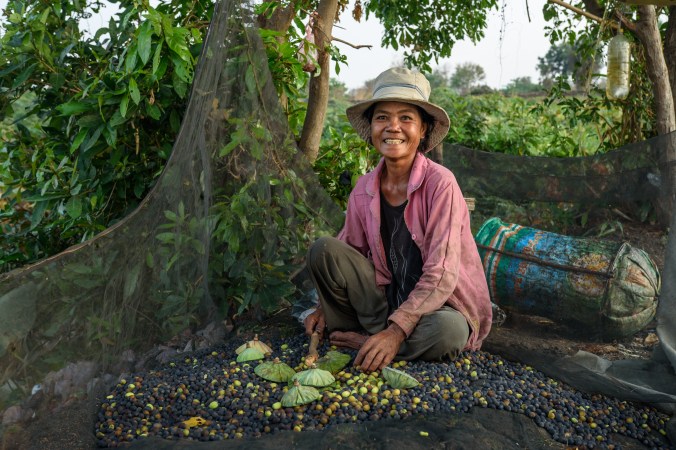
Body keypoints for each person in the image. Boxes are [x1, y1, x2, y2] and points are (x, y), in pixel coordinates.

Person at [304, 67, 492, 372]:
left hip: (434, 309)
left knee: (450, 332)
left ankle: (370, 343)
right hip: (380, 305)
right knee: (323, 250)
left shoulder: (440, 184)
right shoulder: (364, 188)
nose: (393, 127)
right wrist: (321, 307)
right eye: (382, 118)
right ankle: (376, 336)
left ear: (423, 130)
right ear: (372, 127)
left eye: (406, 118)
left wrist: (396, 330)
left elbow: (442, 272)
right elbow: (348, 251)